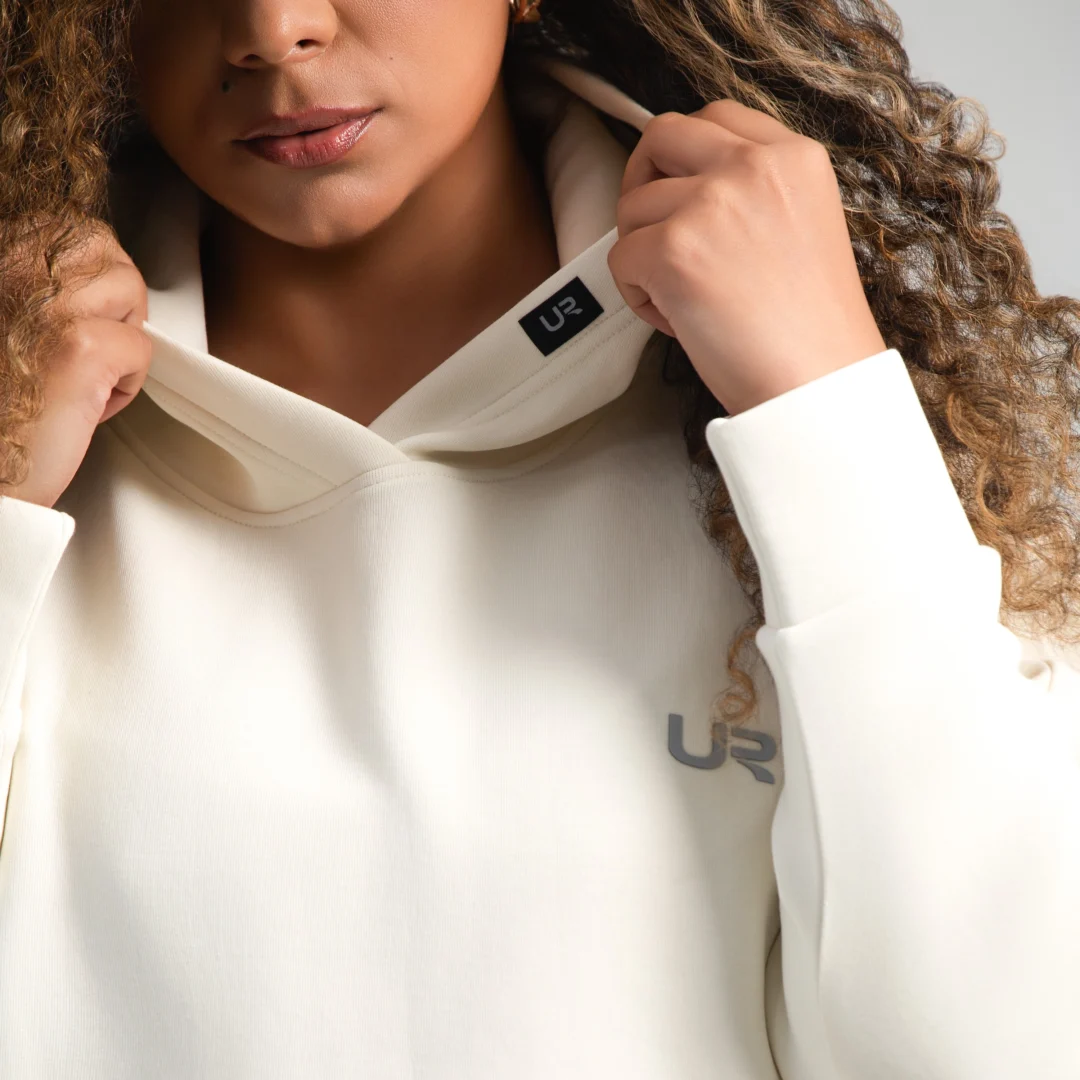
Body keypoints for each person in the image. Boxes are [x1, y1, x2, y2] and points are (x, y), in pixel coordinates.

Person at [1, 0, 1079, 1075]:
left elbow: (985, 1050)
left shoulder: (799, 417)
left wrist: (826, 411)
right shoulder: (28, 428)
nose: (274, 27)